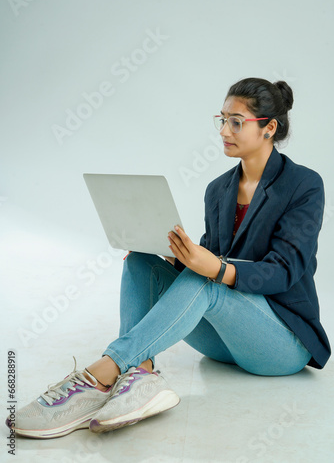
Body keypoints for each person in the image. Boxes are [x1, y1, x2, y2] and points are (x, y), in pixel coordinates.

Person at [6, 77, 331, 439]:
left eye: (236, 121)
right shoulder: (218, 190)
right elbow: (210, 257)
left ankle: (101, 374)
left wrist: (216, 269)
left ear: (269, 127)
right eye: (221, 119)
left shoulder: (303, 185)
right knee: (140, 262)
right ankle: (139, 376)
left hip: (282, 343)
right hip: (226, 342)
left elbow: (285, 270)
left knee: (205, 281)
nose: (224, 130)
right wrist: (178, 256)